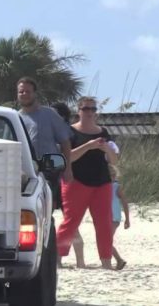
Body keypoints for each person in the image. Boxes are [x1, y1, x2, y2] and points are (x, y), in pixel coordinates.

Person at [56, 97, 118, 269]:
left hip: (102, 182)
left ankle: (106, 262)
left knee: (104, 223)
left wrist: (106, 149)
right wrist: (88, 146)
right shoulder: (70, 132)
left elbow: (113, 161)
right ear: (79, 111)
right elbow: (67, 158)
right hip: (76, 181)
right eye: (86, 109)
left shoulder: (104, 132)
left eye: (93, 109)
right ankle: (56, 259)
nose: (89, 112)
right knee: (71, 221)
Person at [16, 77, 73, 196]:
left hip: (49, 170)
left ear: (35, 93)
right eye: (21, 92)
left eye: (28, 91)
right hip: (24, 172)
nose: (24, 94)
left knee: (46, 208)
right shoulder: (15, 118)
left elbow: (65, 142)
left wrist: (67, 169)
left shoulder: (50, 114)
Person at [110, 165, 129, 270]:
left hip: (114, 218)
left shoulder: (116, 187)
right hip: (106, 217)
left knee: (107, 241)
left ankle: (119, 260)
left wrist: (127, 219)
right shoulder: (101, 187)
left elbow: (125, 203)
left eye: (112, 175)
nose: (111, 177)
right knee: (106, 240)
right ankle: (116, 260)